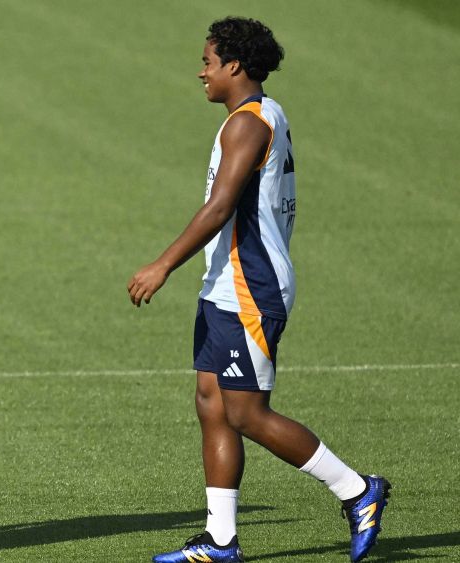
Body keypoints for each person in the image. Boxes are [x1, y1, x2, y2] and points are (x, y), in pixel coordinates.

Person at [127, 17, 389, 563]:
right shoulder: (261, 115)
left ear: (234, 66)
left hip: (251, 287)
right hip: (225, 283)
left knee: (247, 413)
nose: (201, 71)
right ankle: (221, 539)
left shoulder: (246, 126)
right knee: (211, 403)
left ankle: (358, 491)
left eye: (208, 61)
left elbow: (221, 207)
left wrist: (162, 265)